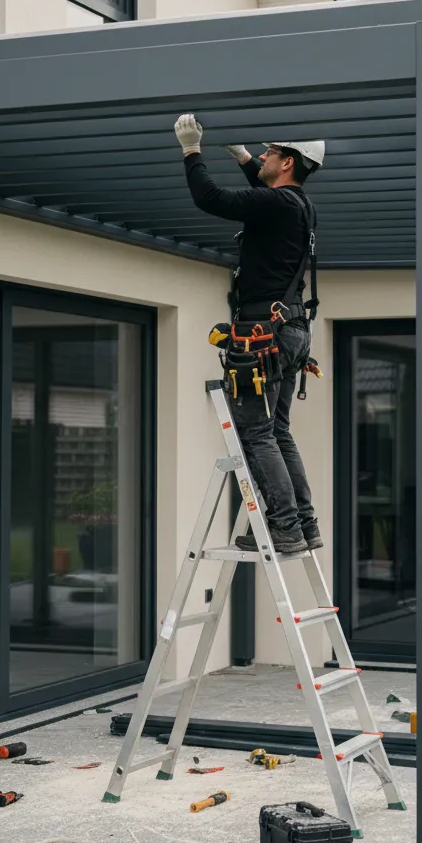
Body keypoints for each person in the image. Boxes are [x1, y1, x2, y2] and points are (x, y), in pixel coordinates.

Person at [173, 112, 324, 555]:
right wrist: (243, 158)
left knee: (256, 433)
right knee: (276, 431)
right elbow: (266, 196)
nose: (263, 155)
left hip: (263, 334)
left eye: (270, 153)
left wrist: (190, 150)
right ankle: (303, 525)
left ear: (289, 163)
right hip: (289, 331)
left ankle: (284, 529)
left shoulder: (279, 204)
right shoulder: (299, 206)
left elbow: (211, 198)